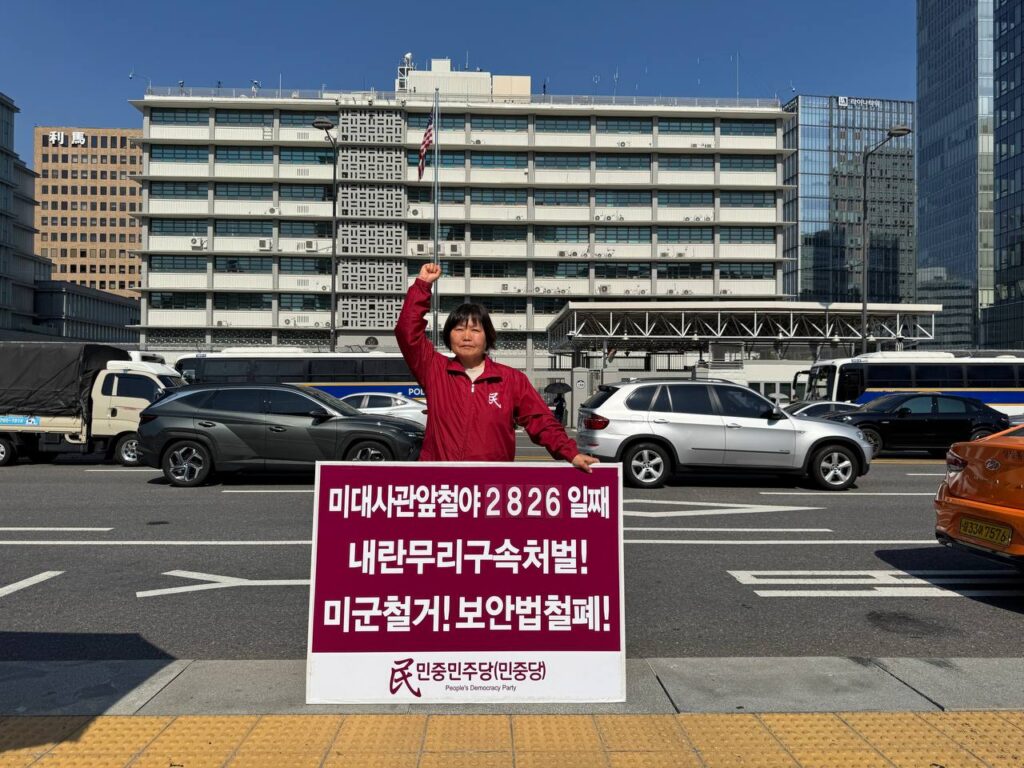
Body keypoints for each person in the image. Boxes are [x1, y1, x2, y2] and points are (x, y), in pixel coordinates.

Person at [396, 262, 599, 472]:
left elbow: (540, 420)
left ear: (488, 337)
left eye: (475, 330)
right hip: (442, 482)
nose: (466, 336)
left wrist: (571, 452)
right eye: (459, 329)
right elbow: (407, 333)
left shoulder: (511, 379)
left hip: (492, 483)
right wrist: (422, 285)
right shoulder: (434, 369)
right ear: (448, 336)